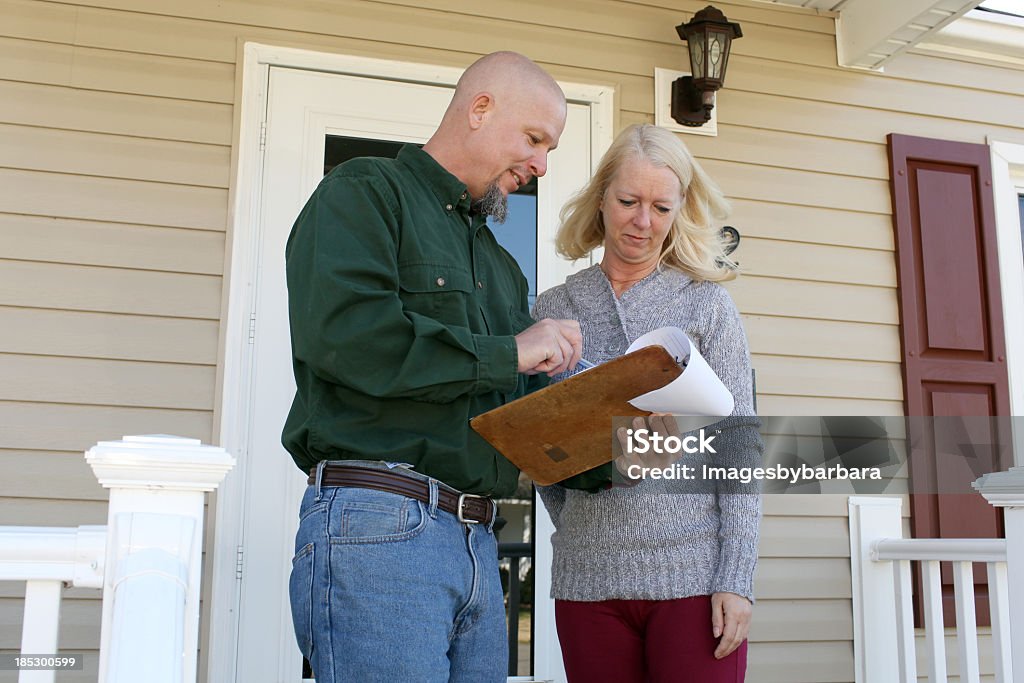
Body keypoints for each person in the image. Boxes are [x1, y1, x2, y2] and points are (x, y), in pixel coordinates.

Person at [281, 51, 583, 683]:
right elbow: (348, 338)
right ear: (479, 109)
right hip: (379, 525)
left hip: (476, 542)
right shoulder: (365, 193)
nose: (541, 165)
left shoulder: (501, 268)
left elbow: (512, 417)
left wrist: (626, 432)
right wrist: (514, 350)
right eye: (534, 139)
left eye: (550, 149)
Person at [533, 123, 763, 683]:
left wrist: (735, 577)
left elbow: (740, 449)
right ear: (602, 198)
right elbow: (541, 451)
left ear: (680, 209)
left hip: (694, 578)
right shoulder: (555, 307)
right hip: (589, 580)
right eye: (628, 201)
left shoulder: (707, 305)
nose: (643, 221)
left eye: (661, 207)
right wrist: (576, 525)